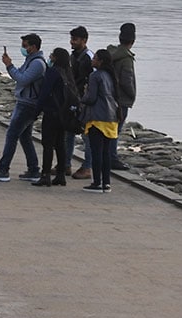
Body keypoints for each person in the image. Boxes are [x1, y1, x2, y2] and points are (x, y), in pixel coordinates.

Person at [0, 33, 47, 182]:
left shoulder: (37, 63)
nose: (23, 48)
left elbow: (22, 79)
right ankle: (33, 169)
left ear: (33, 47)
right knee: (25, 136)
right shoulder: (30, 60)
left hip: (28, 104)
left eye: (25, 46)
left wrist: (9, 66)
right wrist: (11, 67)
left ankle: (3, 169)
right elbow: (20, 75)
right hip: (25, 102)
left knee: (12, 134)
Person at [81, 48, 119, 193]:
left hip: (97, 117)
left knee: (96, 151)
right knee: (106, 153)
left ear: (101, 61)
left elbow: (91, 98)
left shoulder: (95, 76)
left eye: (95, 58)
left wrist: (83, 97)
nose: (92, 60)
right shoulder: (111, 76)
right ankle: (106, 183)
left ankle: (97, 182)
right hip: (111, 118)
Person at [32, 48, 71, 187]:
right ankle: (61, 174)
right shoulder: (67, 72)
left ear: (56, 58)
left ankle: (45, 175)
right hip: (64, 113)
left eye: (52, 55)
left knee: (48, 144)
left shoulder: (53, 72)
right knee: (61, 144)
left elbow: (44, 92)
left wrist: (36, 111)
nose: (50, 57)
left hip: (52, 112)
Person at [65, 26, 95, 179]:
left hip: (85, 102)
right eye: (71, 39)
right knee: (68, 131)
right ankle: (66, 164)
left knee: (86, 136)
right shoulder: (73, 56)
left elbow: (93, 82)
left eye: (75, 40)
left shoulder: (89, 58)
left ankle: (87, 167)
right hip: (74, 99)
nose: (72, 42)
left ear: (84, 40)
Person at [107, 22, 137, 171]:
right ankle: (112, 158)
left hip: (109, 97)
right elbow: (127, 80)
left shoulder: (111, 54)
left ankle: (106, 155)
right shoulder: (126, 58)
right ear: (133, 40)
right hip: (121, 99)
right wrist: (132, 95)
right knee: (115, 130)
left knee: (109, 128)